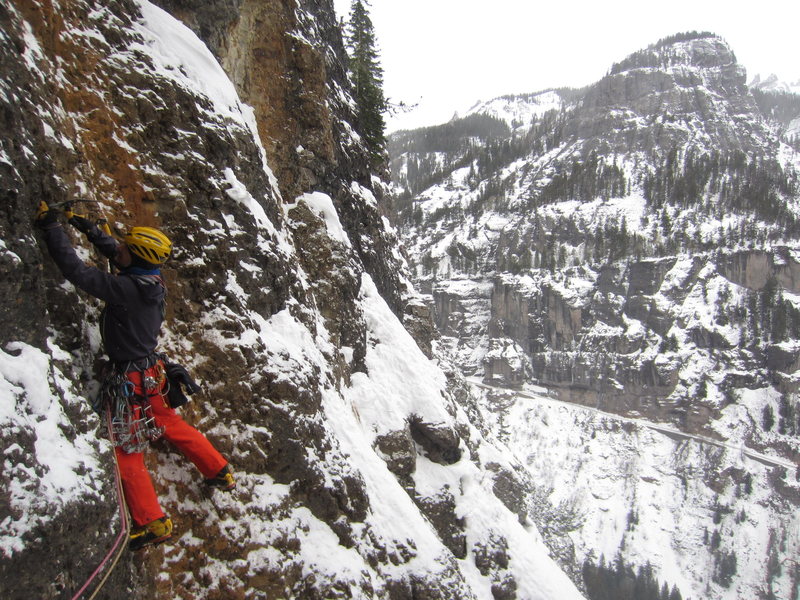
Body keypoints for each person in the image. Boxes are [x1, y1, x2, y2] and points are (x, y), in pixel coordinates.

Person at [35, 201, 236, 551]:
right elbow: (120, 254)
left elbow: (78, 273)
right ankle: (219, 469)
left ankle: (152, 522)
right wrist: (87, 229)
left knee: (126, 449)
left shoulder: (127, 290)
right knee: (168, 422)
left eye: (127, 246)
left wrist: (53, 229)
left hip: (129, 382)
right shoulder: (149, 279)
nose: (120, 247)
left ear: (138, 256)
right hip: (150, 374)